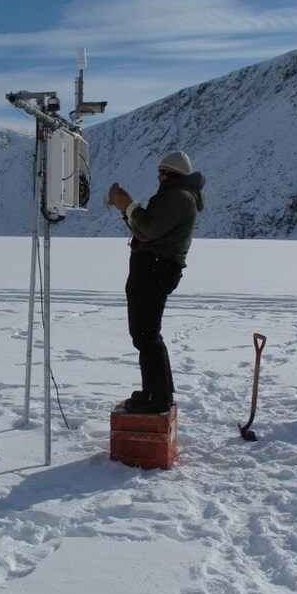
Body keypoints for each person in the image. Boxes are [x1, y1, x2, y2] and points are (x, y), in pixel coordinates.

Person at [107, 151, 205, 413]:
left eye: (162, 173)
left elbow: (147, 229)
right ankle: (155, 391)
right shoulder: (179, 196)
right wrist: (128, 210)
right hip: (156, 267)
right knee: (145, 333)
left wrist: (127, 205)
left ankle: (158, 397)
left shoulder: (177, 197)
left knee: (146, 334)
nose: (159, 178)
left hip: (155, 268)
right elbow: (144, 230)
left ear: (170, 174)